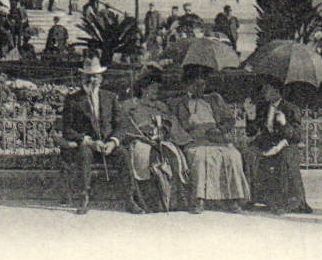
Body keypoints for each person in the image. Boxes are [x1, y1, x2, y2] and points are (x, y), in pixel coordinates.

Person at [169, 65, 250, 213]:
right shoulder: (178, 103)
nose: (201, 87)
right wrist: (188, 136)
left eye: (203, 84)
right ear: (188, 84)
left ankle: (233, 199)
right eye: (196, 84)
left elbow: (229, 120)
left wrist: (220, 130)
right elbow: (173, 124)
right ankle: (199, 199)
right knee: (201, 157)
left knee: (233, 156)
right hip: (194, 140)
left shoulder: (214, 99)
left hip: (216, 138)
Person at [115, 69, 186, 213]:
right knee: (148, 157)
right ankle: (152, 202)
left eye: (158, 89)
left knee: (173, 155)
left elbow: (171, 124)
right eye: (153, 89)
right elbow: (124, 124)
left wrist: (164, 129)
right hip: (139, 140)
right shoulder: (131, 105)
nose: (156, 92)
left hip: (160, 140)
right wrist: (142, 132)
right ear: (143, 89)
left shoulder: (161, 107)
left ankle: (174, 200)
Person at [58, 55, 119, 214]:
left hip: (107, 145)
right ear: (83, 77)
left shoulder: (110, 97)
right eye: (89, 77)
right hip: (87, 145)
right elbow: (67, 129)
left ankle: (131, 198)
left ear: (101, 78)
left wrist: (113, 142)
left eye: (96, 76)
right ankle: (83, 197)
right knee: (84, 155)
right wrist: (87, 141)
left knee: (125, 155)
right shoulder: (73, 100)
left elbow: (121, 124)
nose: (93, 80)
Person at [246, 81, 311, 215]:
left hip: (285, 143)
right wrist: (250, 116)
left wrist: (284, 123)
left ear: (276, 91)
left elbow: (297, 135)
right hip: (266, 143)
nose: (264, 92)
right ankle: (252, 197)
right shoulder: (263, 107)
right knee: (250, 153)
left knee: (286, 157)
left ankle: (288, 202)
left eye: (267, 89)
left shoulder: (290, 108)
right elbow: (251, 132)